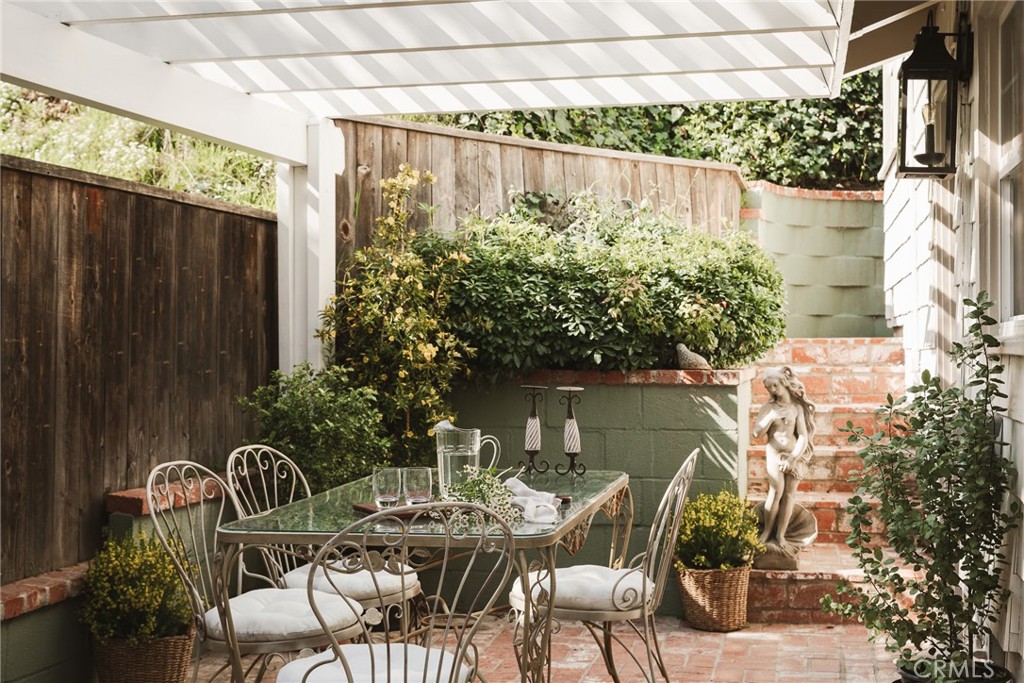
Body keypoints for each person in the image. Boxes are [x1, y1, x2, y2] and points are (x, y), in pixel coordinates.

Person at [752, 366, 816, 548]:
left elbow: (803, 436)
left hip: (793, 455)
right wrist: (770, 417)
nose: (772, 390)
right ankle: (767, 532)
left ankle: (780, 535)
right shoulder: (768, 407)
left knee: (789, 495)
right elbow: (757, 434)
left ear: (785, 383)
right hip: (774, 452)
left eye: (775, 385)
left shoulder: (797, 408)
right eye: (769, 388)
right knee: (775, 492)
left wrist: (793, 458)